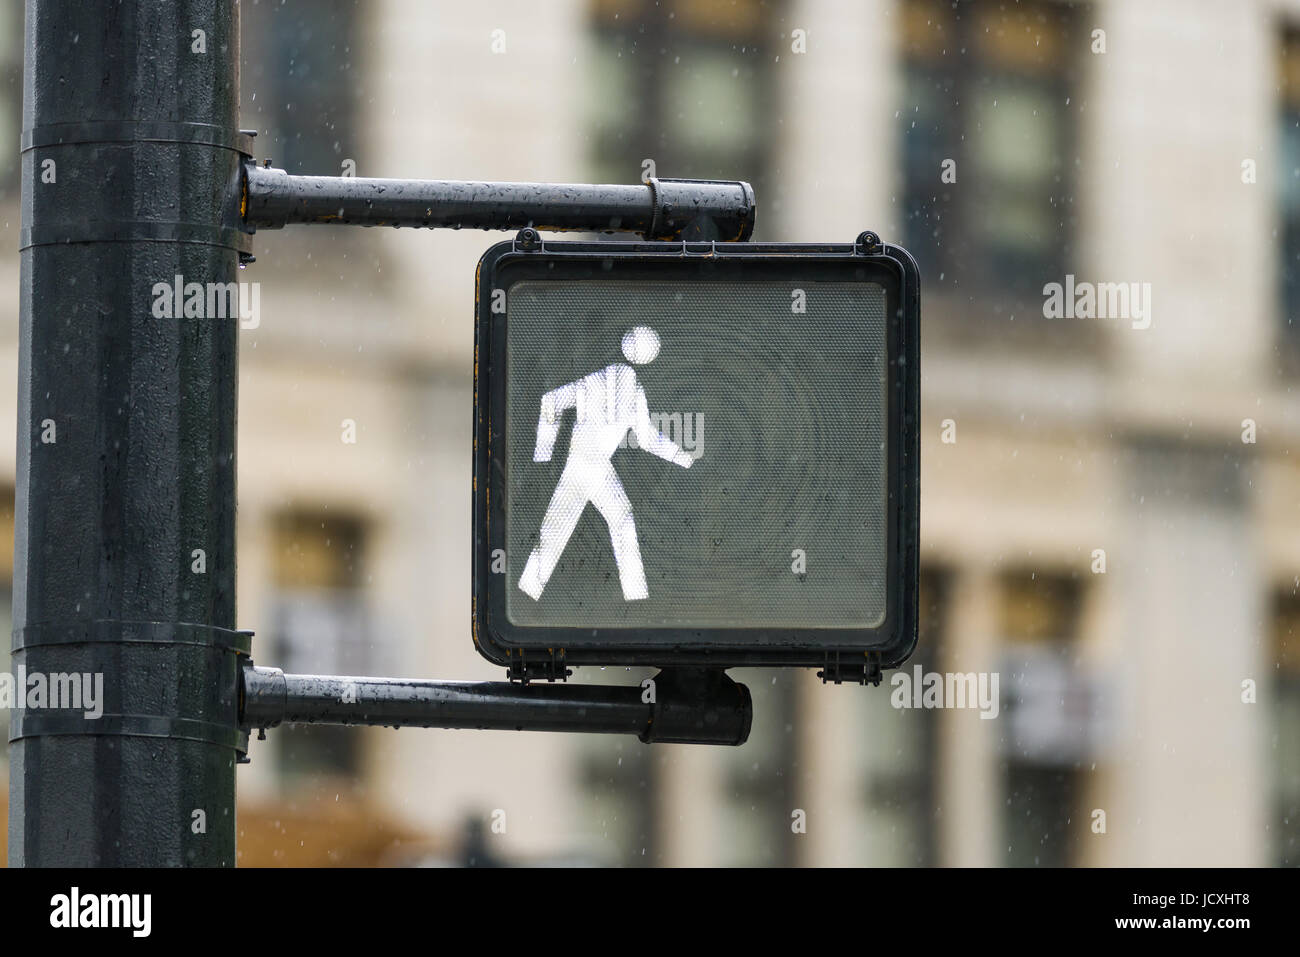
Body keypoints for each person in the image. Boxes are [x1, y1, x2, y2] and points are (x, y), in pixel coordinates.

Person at [518, 326, 693, 601]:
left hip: (595, 465)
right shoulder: (606, 382)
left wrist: (682, 458)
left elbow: (646, 437)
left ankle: (635, 596)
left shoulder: (622, 385)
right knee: (589, 522)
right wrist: (543, 453)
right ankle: (530, 590)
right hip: (584, 463)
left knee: (614, 519)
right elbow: (550, 401)